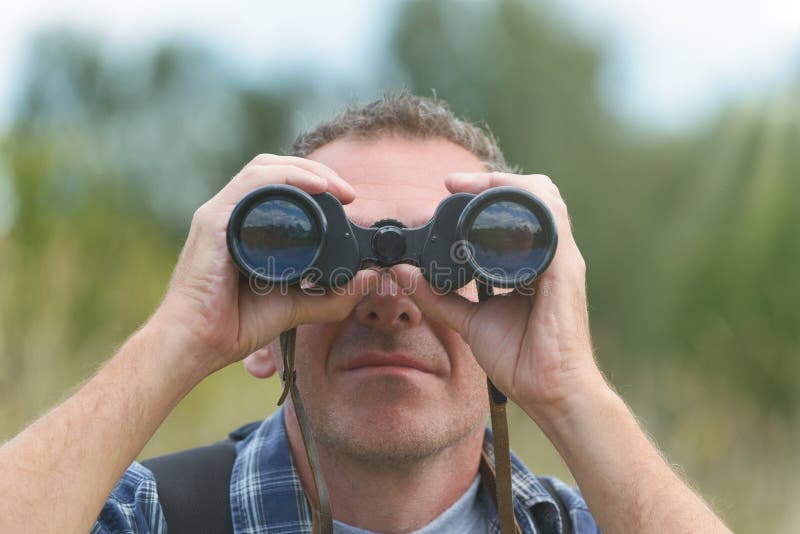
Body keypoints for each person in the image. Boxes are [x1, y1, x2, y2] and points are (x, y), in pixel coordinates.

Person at [0, 92, 731, 534]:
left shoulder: (589, 524)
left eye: (449, 258)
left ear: (526, 288)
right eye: (324, 261)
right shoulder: (146, 518)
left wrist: (571, 386)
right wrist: (178, 337)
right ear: (264, 329)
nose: (389, 303)